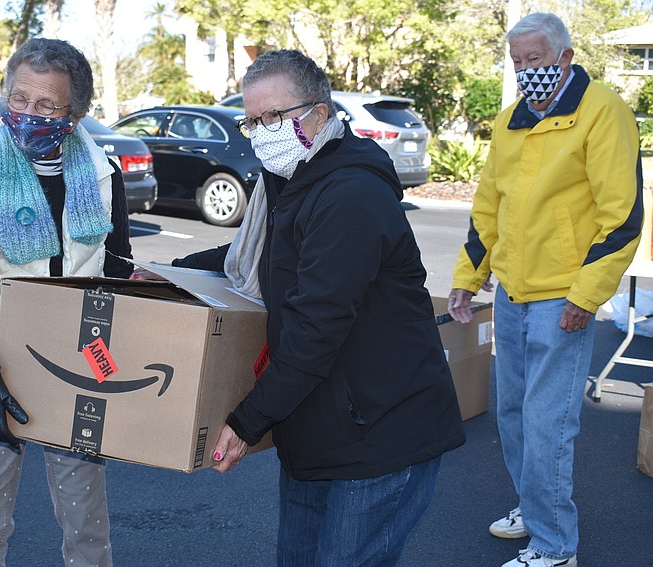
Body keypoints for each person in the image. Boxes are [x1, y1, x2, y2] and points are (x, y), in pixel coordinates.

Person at [151, 49, 466, 566]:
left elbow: (315, 329)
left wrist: (247, 420)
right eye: (252, 120)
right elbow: (254, 259)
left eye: (274, 116)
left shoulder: (351, 196)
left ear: (319, 113)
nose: (262, 131)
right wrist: (171, 270)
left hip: (380, 435)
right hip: (318, 432)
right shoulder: (287, 181)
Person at [448, 12, 643, 567]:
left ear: (565, 56)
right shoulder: (511, 121)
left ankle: (556, 546)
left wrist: (586, 296)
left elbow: (622, 218)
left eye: (536, 60)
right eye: (517, 62)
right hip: (512, 292)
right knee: (510, 412)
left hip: (563, 296)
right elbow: (489, 209)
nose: (526, 70)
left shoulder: (602, 110)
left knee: (547, 421)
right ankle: (534, 510)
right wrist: (468, 278)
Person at [0, 38, 132, 566]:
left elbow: (116, 270)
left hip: (77, 366)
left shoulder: (103, 174)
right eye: (20, 99)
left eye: (46, 105)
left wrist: (114, 363)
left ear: (74, 115)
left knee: (86, 521)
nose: (28, 114)